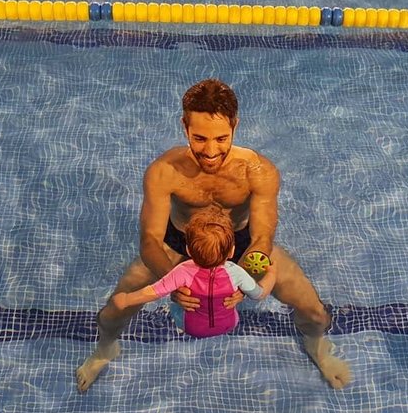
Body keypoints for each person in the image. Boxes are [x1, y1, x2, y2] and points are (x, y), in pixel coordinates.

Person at [76, 78, 351, 392]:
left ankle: (315, 345)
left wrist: (242, 278)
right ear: (184, 126)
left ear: (235, 125)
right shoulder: (165, 171)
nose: (210, 151)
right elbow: (151, 239)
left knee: (315, 313)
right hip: (178, 246)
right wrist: (175, 282)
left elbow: (262, 238)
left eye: (221, 138)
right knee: (112, 313)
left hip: (242, 245)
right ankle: (105, 350)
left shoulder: (258, 171)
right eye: (199, 138)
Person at [111, 205, 277, 338]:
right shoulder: (237, 272)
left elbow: (154, 292)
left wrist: (126, 299)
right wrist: (271, 274)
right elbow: (259, 294)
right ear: (232, 252)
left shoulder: (182, 271)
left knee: (176, 304)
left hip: (192, 328)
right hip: (228, 324)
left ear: (188, 250)